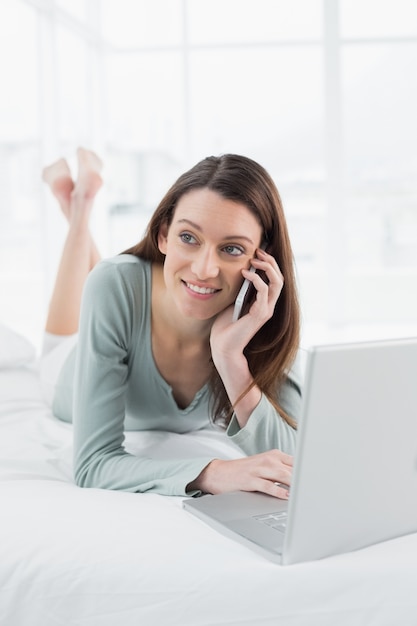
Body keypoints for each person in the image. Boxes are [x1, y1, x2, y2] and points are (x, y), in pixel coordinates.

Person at [41, 147, 302, 499]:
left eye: (232, 249)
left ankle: (78, 198)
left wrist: (230, 358)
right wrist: (212, 473)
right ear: (163, 235)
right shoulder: (114, 285)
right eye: (188, 238)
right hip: (64, 370)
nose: (204, 269)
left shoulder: (263, 318)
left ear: (262, 260)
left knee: (116, 280)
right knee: (107, 280)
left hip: (132, 299)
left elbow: (296, 459)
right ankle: (80, 207)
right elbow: (93, 465)